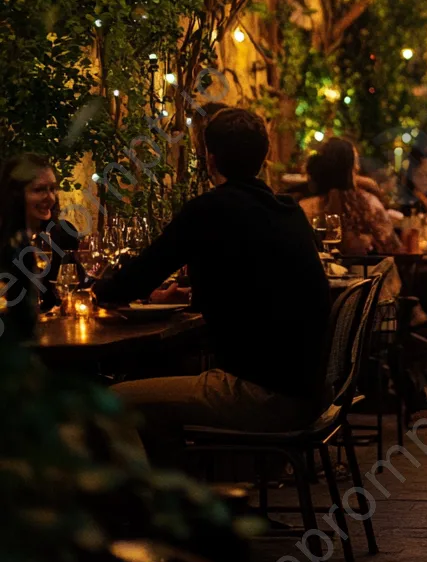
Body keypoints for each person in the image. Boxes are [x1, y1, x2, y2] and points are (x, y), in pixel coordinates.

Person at [94, 108, 331, 465]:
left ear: (210, 158)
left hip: (262, 395)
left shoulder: (209, 210)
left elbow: (135, 279)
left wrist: (93, 288)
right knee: (157, 399)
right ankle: (179, 506)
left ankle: (141, 514)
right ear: (265, 157)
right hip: (311, 391)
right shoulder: (289, 211)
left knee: (114, 399)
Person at [0, 153, 80, 314]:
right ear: (14, 195)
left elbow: (80, 286)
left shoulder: (62, 234)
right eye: (39, 190)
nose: (50, 198)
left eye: (52, 189)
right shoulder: (5, 242)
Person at [301, 138, 400, 255]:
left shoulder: (303, 207)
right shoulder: (366, 203)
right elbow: (392, 246)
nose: (358, 167)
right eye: (355, 162)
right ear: (349, 169)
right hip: (362, 271)